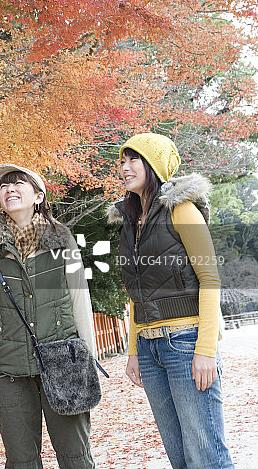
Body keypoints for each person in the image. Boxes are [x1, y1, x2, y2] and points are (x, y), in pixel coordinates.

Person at [108, 132, 234, 469]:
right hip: (149, 350)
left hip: (185, 342)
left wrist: (206, 349)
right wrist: (134, 351)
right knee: (179, 456)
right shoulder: (131, 223)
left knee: (205, 454)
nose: (125, 166)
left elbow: (210, 279)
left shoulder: (183, 209)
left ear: (155, 164)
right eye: (123, 160)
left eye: (134, 158)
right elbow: (135, 291)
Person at [0, 163, 97, 469]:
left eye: (18, 184)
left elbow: (81, 304)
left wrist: (88, 364)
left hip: (63, 362)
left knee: (75, 456)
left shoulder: (62, 242)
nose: (9, 190)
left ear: (39, 195)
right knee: (21, 461)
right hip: (8, 369)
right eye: (3, 187)